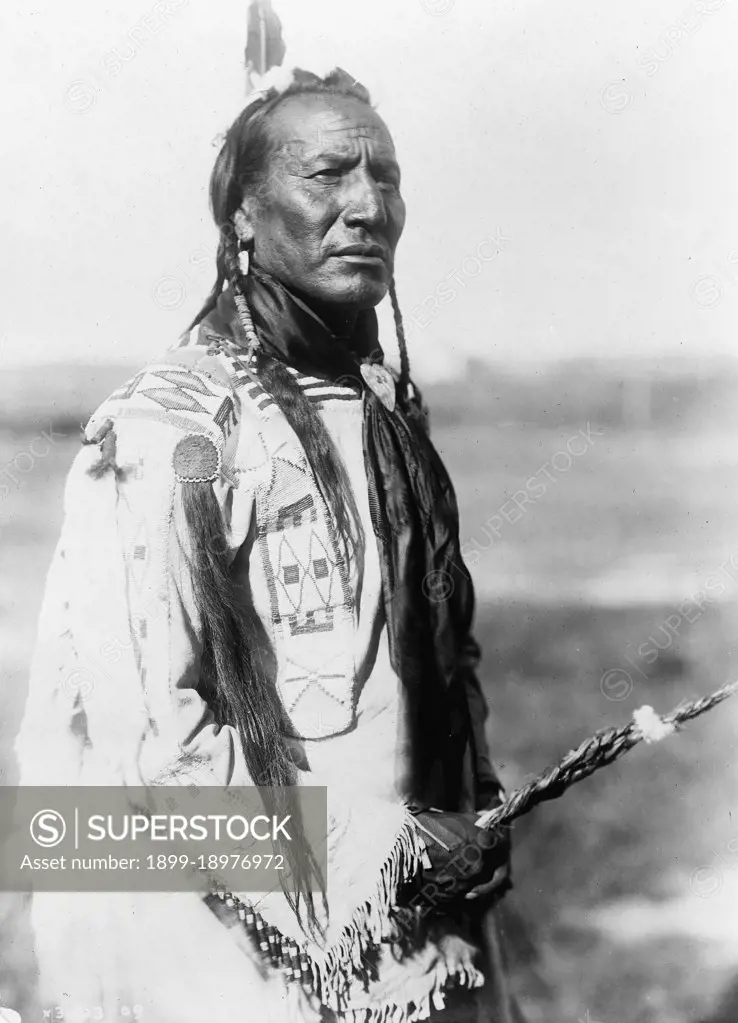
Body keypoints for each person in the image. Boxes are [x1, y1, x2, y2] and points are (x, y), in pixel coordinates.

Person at [16, 67, 514, 1022]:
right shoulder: (168, 430)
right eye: (327, 175)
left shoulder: (384, 411)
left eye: (386, 177)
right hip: (230, 937)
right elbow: (150, 742)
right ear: (243, 216)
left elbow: (448, 658)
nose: (367, 207)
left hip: (415, 909)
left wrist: (475, 812)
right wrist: (385, 854)